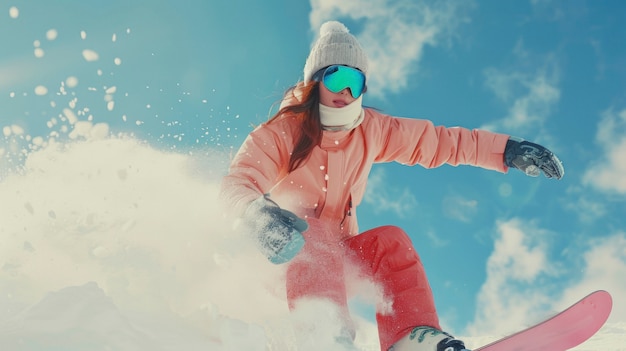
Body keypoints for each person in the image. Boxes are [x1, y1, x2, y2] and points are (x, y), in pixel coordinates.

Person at [219, 21, 563, 351]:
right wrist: (257, 216)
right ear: (314, 81)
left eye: (356, 81)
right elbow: (238, 182)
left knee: (390, 241)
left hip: (335, 264)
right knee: (316, 231)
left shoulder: (372, 129)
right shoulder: (282, 132)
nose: (346, 91)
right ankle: (327, 340)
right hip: (282, 254)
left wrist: (505, 150)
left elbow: (440, 142)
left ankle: (412, 339)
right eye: (337, 76)